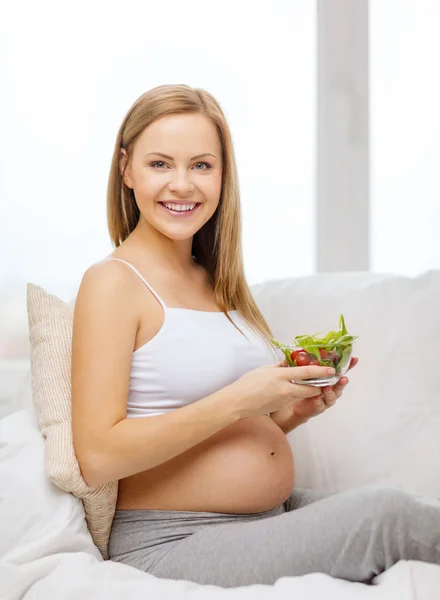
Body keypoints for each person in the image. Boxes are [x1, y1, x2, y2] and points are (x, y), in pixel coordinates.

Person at [71, 84, 440, 588]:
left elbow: (222, 433)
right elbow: (98, 456)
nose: (182, 184)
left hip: (260, 517)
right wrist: (241, 400)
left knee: (415, 507)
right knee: (388, 516)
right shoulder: (113, 282)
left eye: (202, 165)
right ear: (126, 168)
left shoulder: (216, 281)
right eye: (160, 164)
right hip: (171, 541)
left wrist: (287, 414)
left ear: (224, 176)